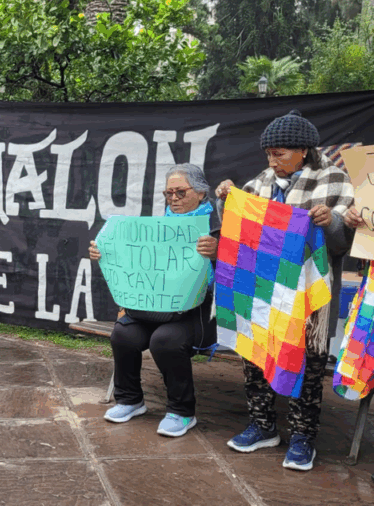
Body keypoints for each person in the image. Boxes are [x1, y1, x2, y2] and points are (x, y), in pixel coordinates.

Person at [214, 110, 354, 471]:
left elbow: (343, 242)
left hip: (308, 294)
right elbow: (236, 225)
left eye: (279, 154)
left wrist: (332, 222)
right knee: (255, 355)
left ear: (304, 151)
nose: (272, 161)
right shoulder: (261, 181)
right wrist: (224, 198)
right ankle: (263, 427)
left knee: (307, 364)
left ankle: (303, 437)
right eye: (269, 153)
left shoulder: (333, 178)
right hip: (262, 289)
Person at [89, 163, 219, 438]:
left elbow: (242, 268)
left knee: (166, 340)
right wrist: (104, 252)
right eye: (168, 193)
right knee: (123, 334)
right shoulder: (156, 228)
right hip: (150, 310)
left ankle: (181, 411)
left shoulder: (217, 226)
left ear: (200, 192)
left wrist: (219, 253)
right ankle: (130, 400)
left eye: (180, 192)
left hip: (197, 313)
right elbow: (133, 263)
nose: (173, 198)